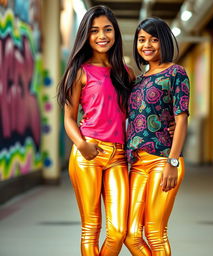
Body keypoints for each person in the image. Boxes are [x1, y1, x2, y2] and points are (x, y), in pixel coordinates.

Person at [57, 5, 135, 256]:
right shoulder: (79, 71)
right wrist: (81, 145)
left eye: (107, 29)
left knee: (118, 231)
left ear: (115, 33)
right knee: (91, 227)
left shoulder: (127, 73)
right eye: (94, 31)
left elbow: (138, 113)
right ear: (86, 36)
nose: (102, 36)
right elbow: (69, 118)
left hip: (119, 157)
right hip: (88, 153)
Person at [125, 17, 190, 256]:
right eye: (141, 39)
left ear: (164, 41)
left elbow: (182, 118)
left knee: (154, 231)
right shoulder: (138, 80)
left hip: (164, 160)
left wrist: (173, 162)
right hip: (137, 164)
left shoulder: (176, 72)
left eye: (153, 39)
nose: (147, 44)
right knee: (131, 234)